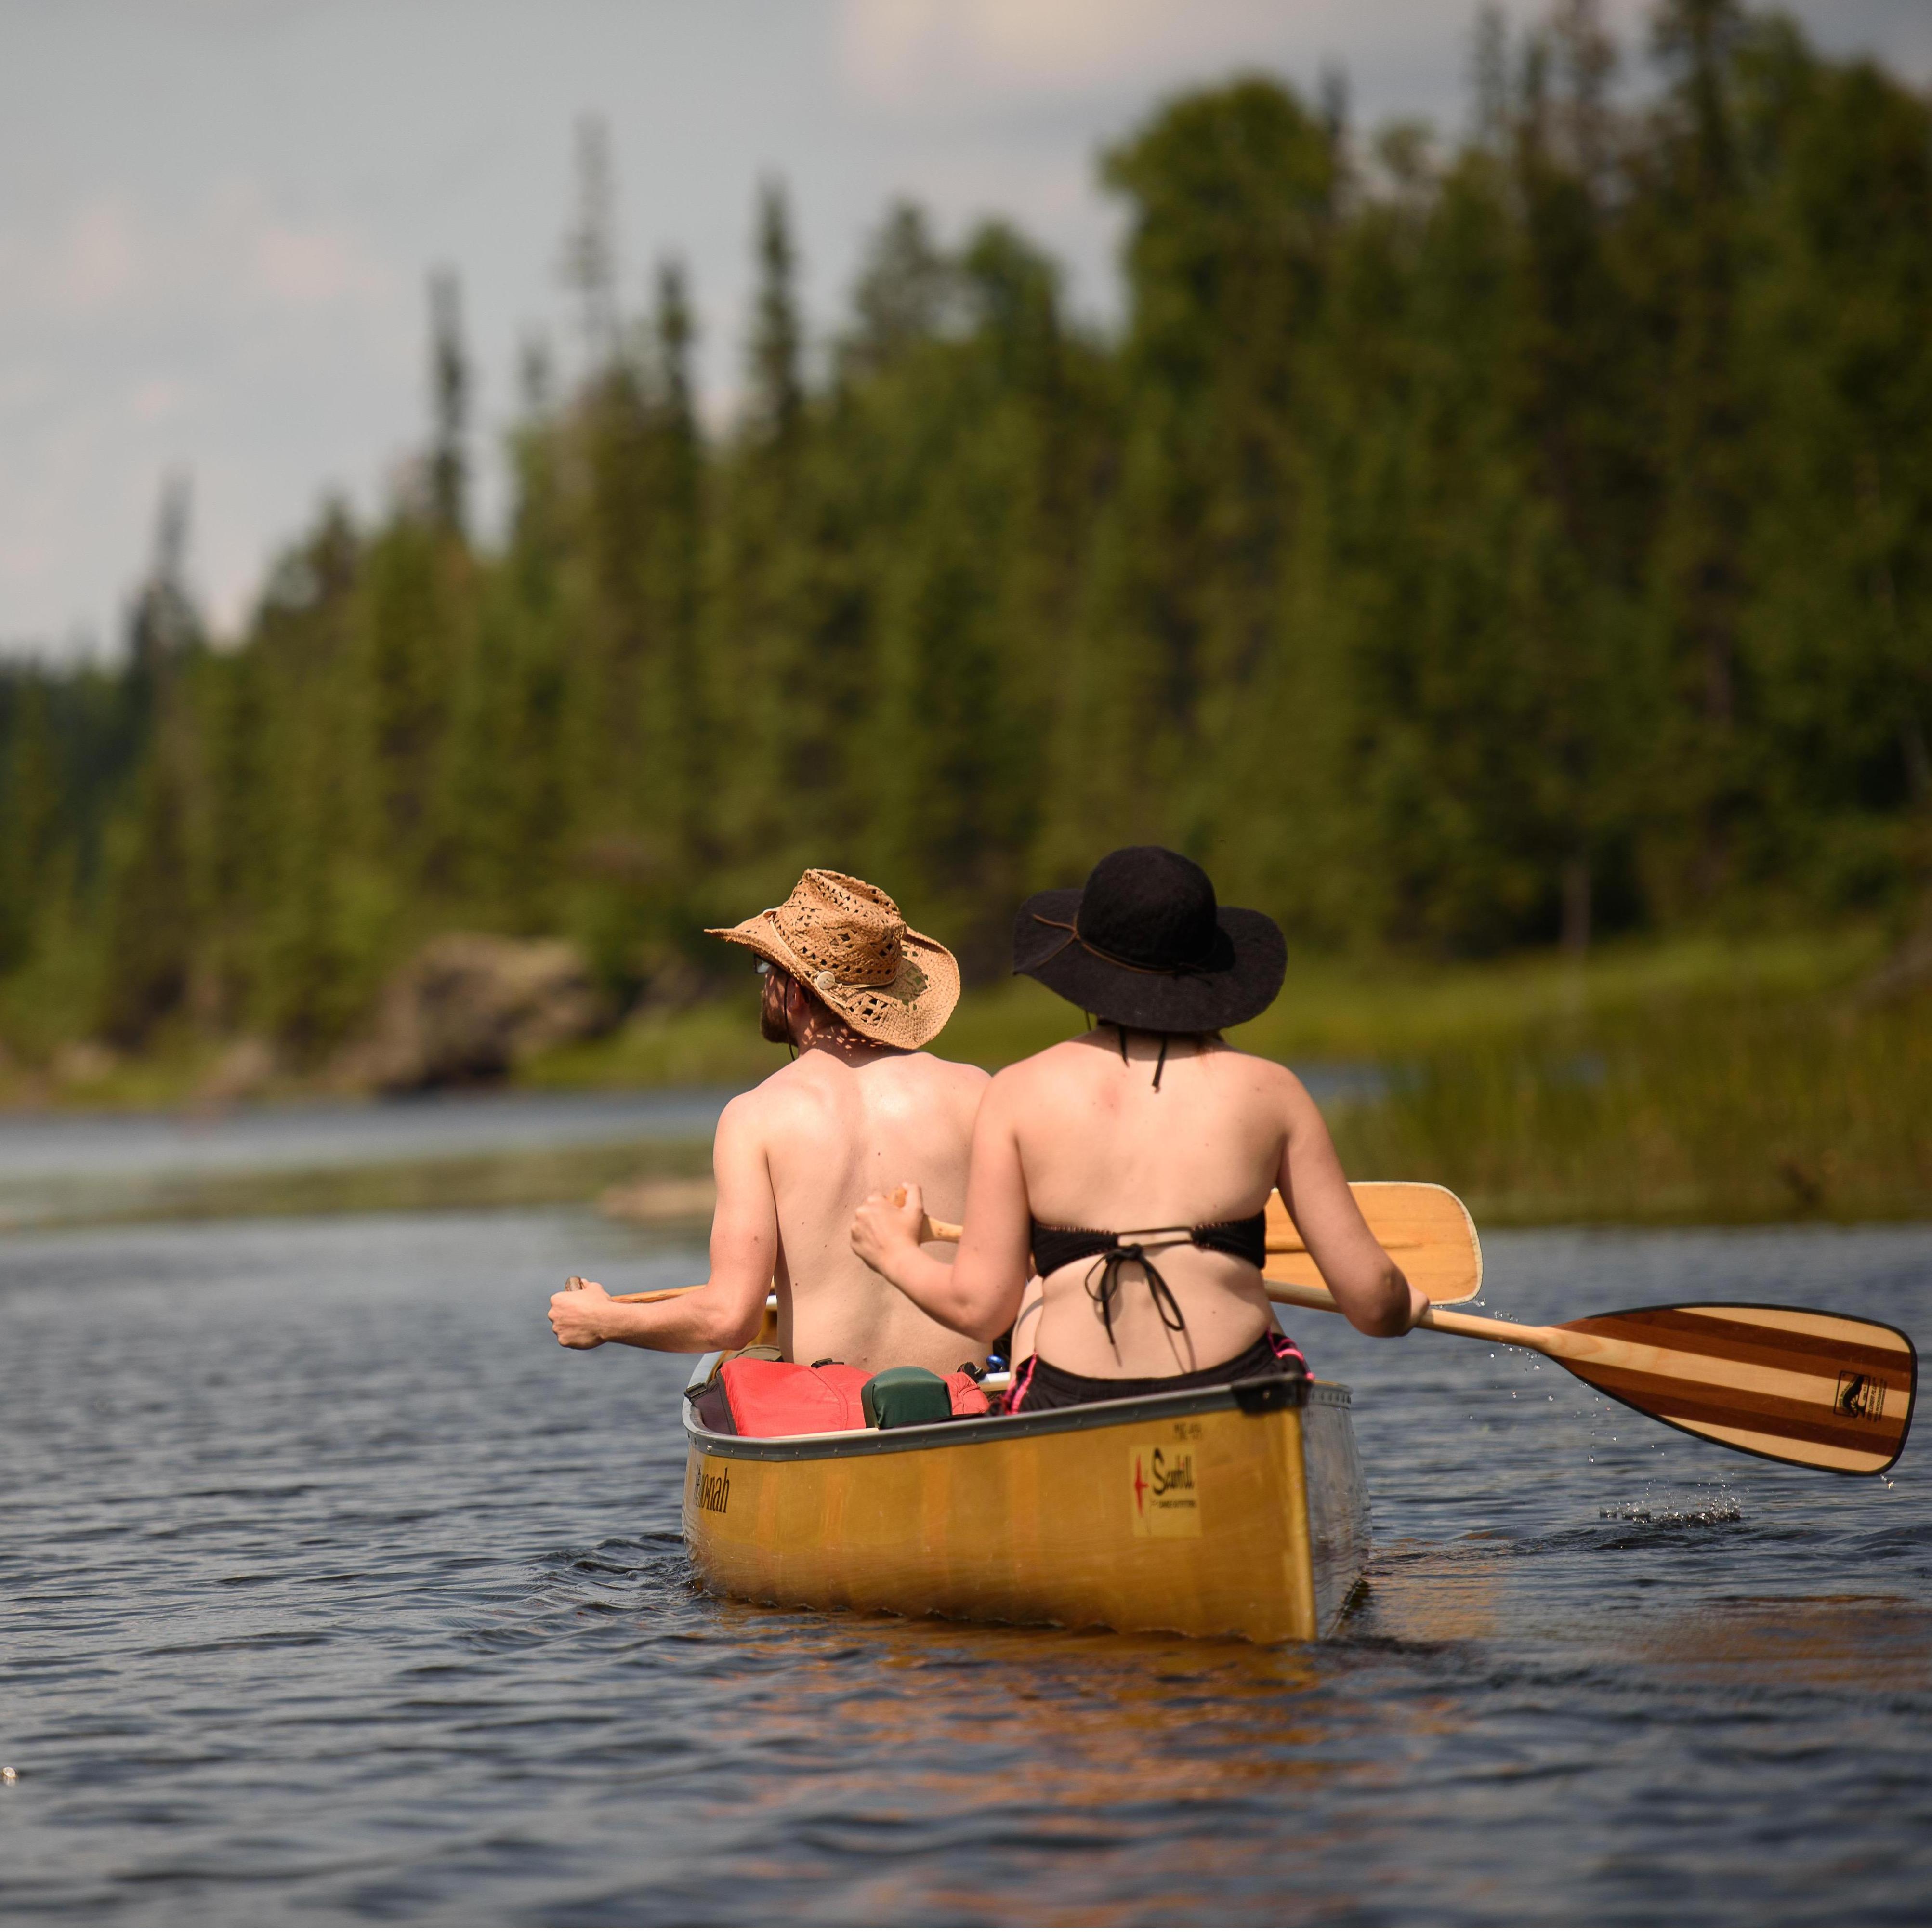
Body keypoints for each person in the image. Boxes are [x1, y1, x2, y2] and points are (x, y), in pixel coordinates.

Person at [850, 845, 1428, 1411]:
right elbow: (1373, 1304)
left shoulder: (1019, 1093)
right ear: (1209, 971)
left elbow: (982, 1308)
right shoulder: (1274, 1093)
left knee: (1034, 1310)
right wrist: (1404, 1304)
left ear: (1086, 962)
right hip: (1241, 1390)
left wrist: (895, 1251)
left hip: (1074, 1397)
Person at [549, 869, 990, 1376]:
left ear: (797, 993)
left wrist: (604, 1321)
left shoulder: (755, 1117)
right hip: (968, 1397)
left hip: (832, 1417)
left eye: (766, 968)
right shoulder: (975, 1092)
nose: (763, 984)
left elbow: (730, 1319)